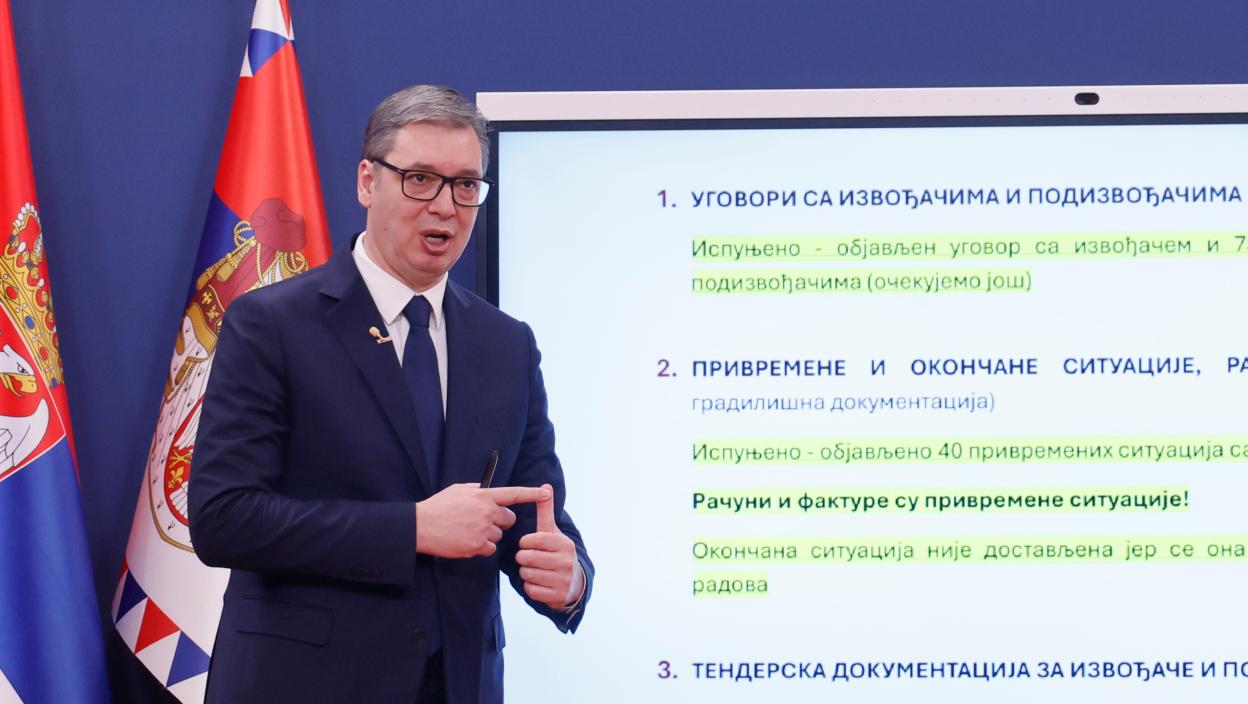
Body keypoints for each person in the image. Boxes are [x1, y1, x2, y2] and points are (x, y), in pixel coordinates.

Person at [188, 85, 592, 704]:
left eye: (466, 185)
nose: (446, 206)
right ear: (367, 182)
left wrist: (569, 577)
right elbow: (225, 520)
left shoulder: (507, 344)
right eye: (420, 179)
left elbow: (533, 512)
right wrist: (412, 528)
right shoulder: (271, 325)